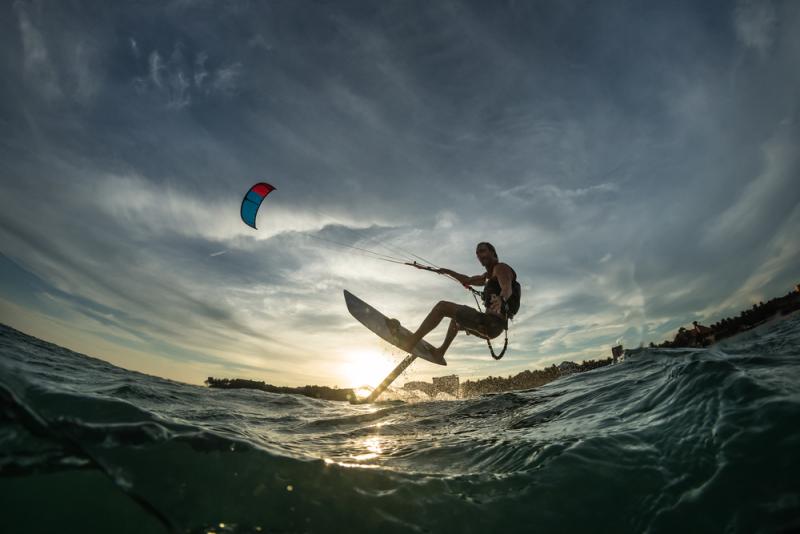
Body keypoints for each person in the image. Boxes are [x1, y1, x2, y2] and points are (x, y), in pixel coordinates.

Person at [388, 242, 521, 359]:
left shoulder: (501, 268)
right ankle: (440, 352)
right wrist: (446, 271)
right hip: (489, 328)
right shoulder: (487, 277)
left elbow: (507, 287)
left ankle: (411, 341)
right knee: (456, 321)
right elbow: (466, 280)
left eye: (482, 251)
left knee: (442, 307)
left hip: (491, 323)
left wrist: (501, 299)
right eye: (477, 253)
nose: (479, 255)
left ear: (492, 252)